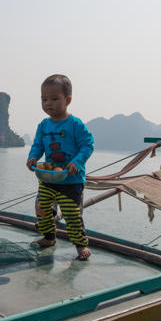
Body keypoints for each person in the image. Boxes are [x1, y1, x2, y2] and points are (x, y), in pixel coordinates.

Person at [26, 74, 95, 260]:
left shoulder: (75, 124)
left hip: (71, 180)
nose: (48, 103)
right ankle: (49, 237)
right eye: (44, 99)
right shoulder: (43, 125)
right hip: (48, 178)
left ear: (68, 100)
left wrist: (77, 162)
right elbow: (38, 145)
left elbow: (88, 145)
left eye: (54, 99)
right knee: (42, 208)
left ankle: (81, 246)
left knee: (72, 214)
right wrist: (33, 157)